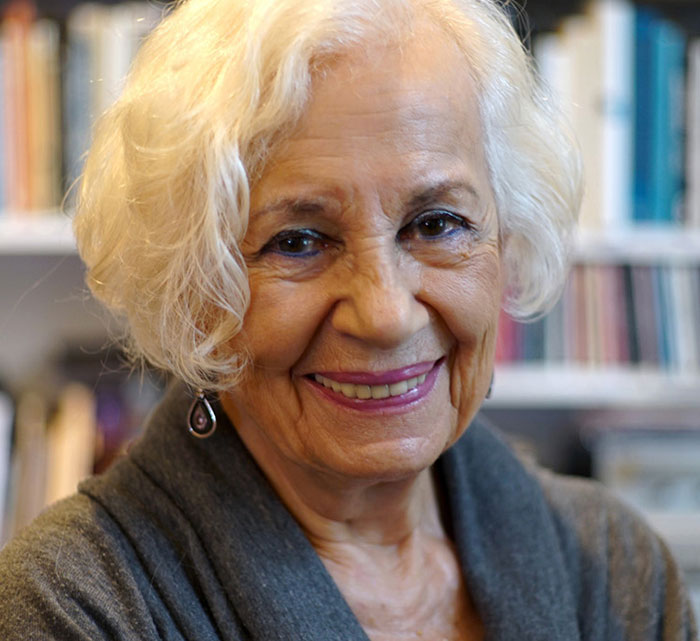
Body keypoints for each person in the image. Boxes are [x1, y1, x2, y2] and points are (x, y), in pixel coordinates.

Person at [0, 0, 696, 638]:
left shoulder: (615, 567)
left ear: (507, 238)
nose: (387, 314)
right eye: (298, 241)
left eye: (437, 223)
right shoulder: (79, 602)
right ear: (195, 288)